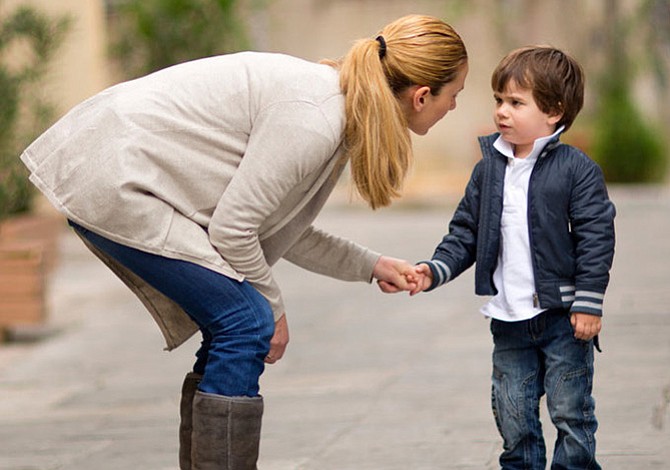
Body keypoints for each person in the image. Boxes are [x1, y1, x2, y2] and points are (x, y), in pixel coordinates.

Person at [20, 14, 468, 470]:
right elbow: (234, 229)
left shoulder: (334, 107)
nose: (454, 106)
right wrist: (274, 311)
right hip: (115, 175)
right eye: (456, 95)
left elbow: (276, 226)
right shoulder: (316, 118)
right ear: (421, 95)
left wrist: (371, 264)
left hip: (119, 171)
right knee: (246, 321)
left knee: (233, 323)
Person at [399, 46, 615, 469]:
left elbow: (596, 237)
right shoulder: (489, 170)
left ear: (554, 112)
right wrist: (433, 270)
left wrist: (589, 302)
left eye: (516, 103)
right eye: (499, 100)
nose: (502, 111)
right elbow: (465, 231)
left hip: (563, 319)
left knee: (570, 412)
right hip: (509, 320)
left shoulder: (577, 169)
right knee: (513, 413)